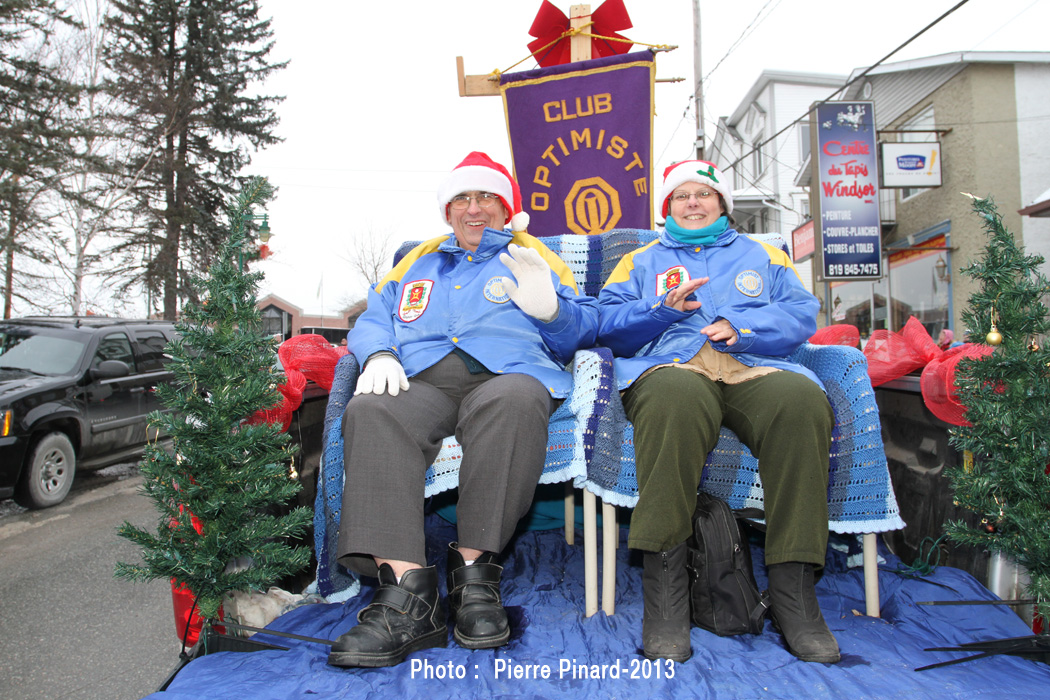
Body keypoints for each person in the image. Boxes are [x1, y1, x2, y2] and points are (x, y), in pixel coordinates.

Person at [328, 152, 599, 668]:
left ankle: (476, 580)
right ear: (448, 211)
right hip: (422, 377)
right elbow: (375, 314)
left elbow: (584, 330)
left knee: (515, 403)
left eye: (487, 198)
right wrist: (380, 352)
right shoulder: (419, 260)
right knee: (370, 411)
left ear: (506, 207)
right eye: (463, 199)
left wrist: (553, 309)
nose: (475, 209)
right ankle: (407, 598)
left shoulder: (532, 253)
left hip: (507, 374)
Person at [597, 160, 840, 664]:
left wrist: (742, 324)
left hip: (751, 364)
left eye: (703, 194)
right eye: (681, 195)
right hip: (673, 365)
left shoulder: (765, 255)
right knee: (674, 401)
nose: (692, 202)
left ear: (723, 204)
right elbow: (606, 325)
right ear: (668, 207)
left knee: (800, 403)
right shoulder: (640, 260)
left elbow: (800, 314)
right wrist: (662, 309)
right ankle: (665, 594)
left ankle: (795, 591)